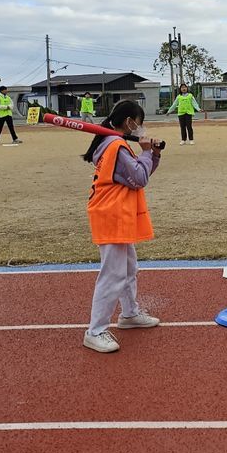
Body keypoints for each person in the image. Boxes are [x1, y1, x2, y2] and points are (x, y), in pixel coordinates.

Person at [81, 100, 163, 353]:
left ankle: (129, 314)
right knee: (113, 274)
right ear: (129, 122)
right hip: (111, 214)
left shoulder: (116, 144)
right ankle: (95, 330)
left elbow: (140, 173)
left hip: (117, 213)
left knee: (128, 267)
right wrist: (148, 152)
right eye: (139, 121)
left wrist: (153, 154)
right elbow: (138, 178)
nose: (141, 127)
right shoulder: (116, 145)